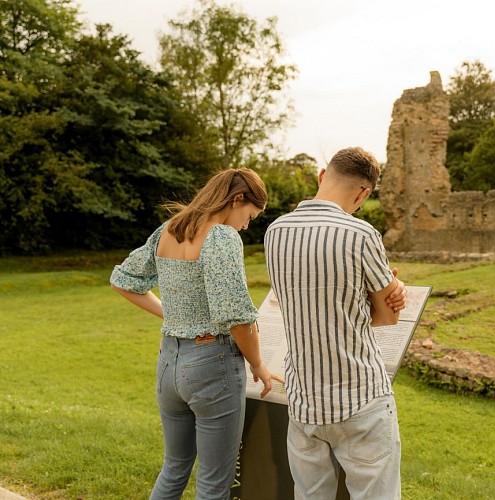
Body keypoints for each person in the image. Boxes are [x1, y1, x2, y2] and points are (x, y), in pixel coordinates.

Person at [110, 168, 283, 500]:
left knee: (173, 469)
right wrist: (258, 364)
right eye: (249, 216)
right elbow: (235, 315)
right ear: (237, 199)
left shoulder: (169, 229)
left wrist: (173, 315)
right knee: (213, 484)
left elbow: (123, 281)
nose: (246, 225)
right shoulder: (221, 236)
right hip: (212, 366)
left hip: (169, 366)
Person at [264, 146, 408, 499]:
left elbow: (293, 302)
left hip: (304, 399)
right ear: (363, 193)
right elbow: (388, 316)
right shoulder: (361, 235)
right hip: (360, 396)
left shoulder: (275, 231)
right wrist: (396, 289)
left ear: (322, 176)